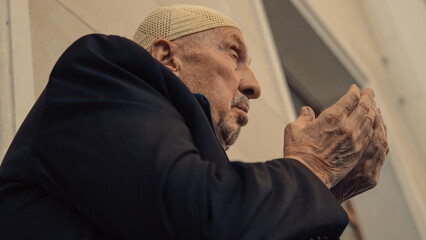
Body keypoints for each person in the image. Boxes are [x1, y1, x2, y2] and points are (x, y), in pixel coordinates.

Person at [0, 4, 388, 240]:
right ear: (167, 57)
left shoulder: (204, 172)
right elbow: (202, 218)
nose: (253, 85)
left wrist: (323, 197)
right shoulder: (105, 71)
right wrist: (312, 169)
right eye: (234, 54)